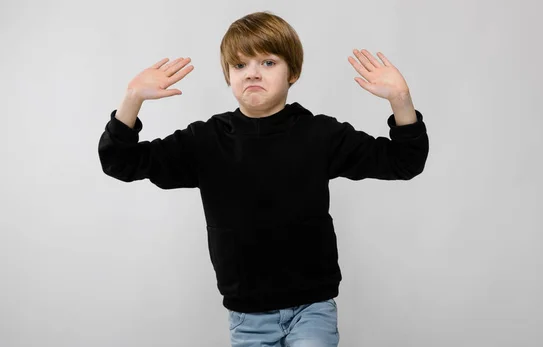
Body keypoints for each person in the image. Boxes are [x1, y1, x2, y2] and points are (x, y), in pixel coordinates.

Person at [98, 10, 428, 347]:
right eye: (240, 65)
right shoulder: (205, 141)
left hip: (311, 308)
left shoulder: (320, 134)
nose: (252, 73)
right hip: (248, 317)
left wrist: (400, 99)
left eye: (268, 63)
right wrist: (132, 98)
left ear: (292, 72)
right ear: (228, 75)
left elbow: (404, 162)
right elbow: (119, 162)